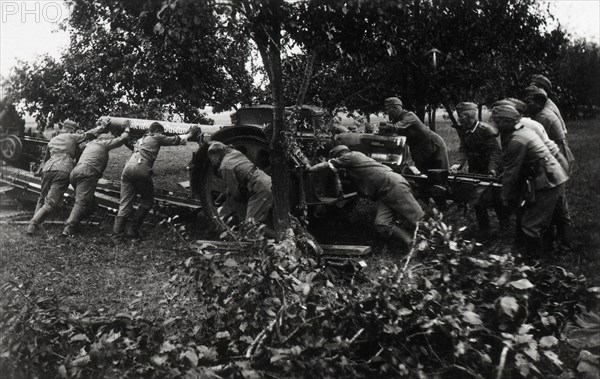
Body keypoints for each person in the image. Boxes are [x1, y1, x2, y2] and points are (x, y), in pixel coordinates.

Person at [308, 145, 424, 246]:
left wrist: (309, 169)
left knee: (418, 220)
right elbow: (358, 193)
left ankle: (438, 240)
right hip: (384, 193)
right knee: (382, 224)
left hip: (393, 185)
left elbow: (328, 165)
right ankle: (411, 242)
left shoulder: (352, 156)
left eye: (338, 158)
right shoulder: (355, 169)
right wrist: (336, 200)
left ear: (341, 155)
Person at [491, 105, 569, 256]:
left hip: (547, 180)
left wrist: (505, 197)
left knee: (531, 224)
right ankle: (557, 249)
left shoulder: (517, 140)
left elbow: (511, 172)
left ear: (506, 121)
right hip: (554, 175)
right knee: (558, 215)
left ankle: (533, 262)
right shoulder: (523, 131)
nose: (495, 125)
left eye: (497, 121)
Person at [113, 122, 201, 239]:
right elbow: (175, 140)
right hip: (141, 168)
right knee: (147, 200)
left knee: (125, 203)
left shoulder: (141, 140)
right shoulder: (156, 136)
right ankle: (132, 231)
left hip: (127, 169)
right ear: (158, 131)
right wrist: (190, 133)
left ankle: (117, 236)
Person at [27, 119, 108, 235]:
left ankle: (34, 224)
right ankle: (33, 224)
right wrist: (102, 127)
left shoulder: (53, 140)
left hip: (48, 168)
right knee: (51, 202)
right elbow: (89, 134)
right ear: (72, 130)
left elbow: (45, 159)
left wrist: (41, 170)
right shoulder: (71, 137)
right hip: (63, 168)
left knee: (42, 197)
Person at [61, 119, 131, 237]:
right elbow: (122, 139)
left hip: (75, 172)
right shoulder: (103, 143)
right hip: (87, 173)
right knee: (81, 202)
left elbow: (82, 142)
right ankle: (68, 229)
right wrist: (127, 128)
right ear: (105, 140)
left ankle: (93, 218)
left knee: (89, 199)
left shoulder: (89, 144)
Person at [450, 102, 506, 233]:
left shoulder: (486, 130)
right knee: (476, 199)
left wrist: (492, 170)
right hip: (475, 169)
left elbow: (496, 152)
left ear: (469, 116)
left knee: (497, 200)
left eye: (461, 116)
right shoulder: (464, 130)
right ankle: (484, 229)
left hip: (492, 170)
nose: (459, 119)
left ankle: (504, 226)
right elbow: (463, 149)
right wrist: (457, 164)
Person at [206, 141, 274, 230]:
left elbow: (234, 192)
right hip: (266, 180)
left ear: (219, 154)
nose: (212, 160)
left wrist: (229, 200)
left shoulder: (225, 166)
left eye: (212, 157)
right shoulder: (234, 153)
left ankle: (282, 240)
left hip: (259, 188)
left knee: (251, 226)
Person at [383, 97, 448, 173]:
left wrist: (386, 126)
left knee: (440, 173)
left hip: (433, 145)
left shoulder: (409, 116)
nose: (387, 112)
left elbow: (396, 127)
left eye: (388, 109)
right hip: (419, 149)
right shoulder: (396, 120)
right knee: (424, 175)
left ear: (396, 108)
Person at [523, 86, 575, 174]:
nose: (526, 105)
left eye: (528, 102)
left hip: (559, 156)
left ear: (539, 102)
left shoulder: (544, 117)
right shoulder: (541, 113)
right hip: (556, 153)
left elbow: (536, 142)